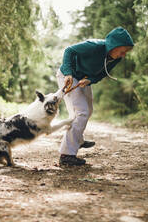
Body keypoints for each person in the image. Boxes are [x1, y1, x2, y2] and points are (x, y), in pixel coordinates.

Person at [56, 27, 134, 166]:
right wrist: (68, 73)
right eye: (122, 51)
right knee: (81, 112)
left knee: (88, 110)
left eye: (126, 52)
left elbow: (101, 74)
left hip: (82, 79)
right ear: (114, 45)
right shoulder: (94, 46)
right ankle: (67, 155)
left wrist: (90, 80)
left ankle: (77, 140)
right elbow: (69, 50)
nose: (123, 55)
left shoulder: (115, 58)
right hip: (67, 76)